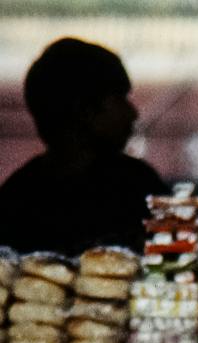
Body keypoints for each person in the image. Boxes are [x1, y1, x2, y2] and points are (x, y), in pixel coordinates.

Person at [0, 38, 167, 256]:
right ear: (84, 110)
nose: (132, 113)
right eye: (120, 99)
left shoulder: (16, 196)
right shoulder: (137, 184)